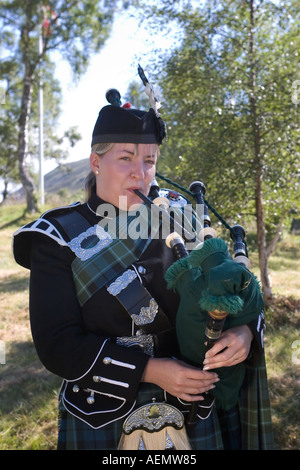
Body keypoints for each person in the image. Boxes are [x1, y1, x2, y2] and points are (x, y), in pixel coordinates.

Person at [13, 82, 273, 450]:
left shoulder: (183, 216)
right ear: (95, 161)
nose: (141, 173)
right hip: (102, 415)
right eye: (126, 158)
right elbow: (58, 345)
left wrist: (245, 332)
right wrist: (151, 370)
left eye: (149, 160)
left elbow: (236, 287)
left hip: (194, 409)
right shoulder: (56, 236)